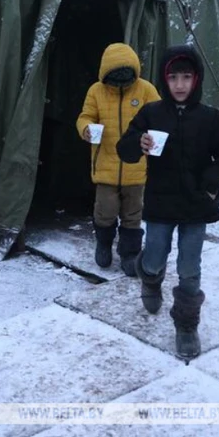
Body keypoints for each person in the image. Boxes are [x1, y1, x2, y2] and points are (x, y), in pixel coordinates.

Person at [117, 45, 219, 359]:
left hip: (197, 205)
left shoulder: (210, 117)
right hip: (161, 203)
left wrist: (211, 180)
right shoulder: (152, 113)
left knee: (190, 267)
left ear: (196, 79)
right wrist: (138, 142)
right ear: (164, 80)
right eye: (173, 77)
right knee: (156, 256)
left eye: (186, 77)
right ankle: (150, 276)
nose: (180, 84)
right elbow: (124, 148)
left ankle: (186, 324)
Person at [76, 43, 161, 276]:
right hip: (105, 165)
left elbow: (159, 116)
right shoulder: (96, 91)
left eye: (125, 74)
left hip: (137, 168)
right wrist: (85, 129)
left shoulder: (145, 90)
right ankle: (103, 243)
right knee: (105, 210)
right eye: (115, 75)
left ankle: (130, 253)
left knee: (133, 214)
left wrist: (156, 134)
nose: (121, 80)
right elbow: (85, 116)